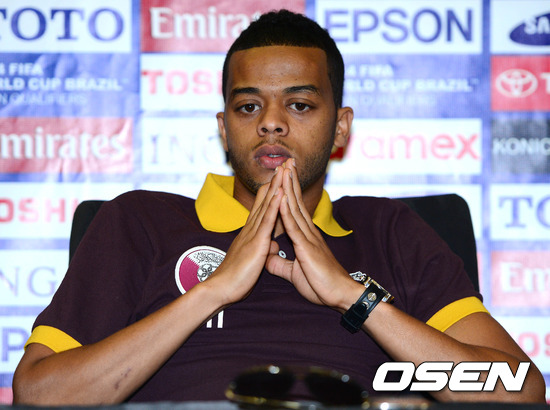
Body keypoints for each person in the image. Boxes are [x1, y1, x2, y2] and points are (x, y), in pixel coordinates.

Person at [12, 9, 546, 405]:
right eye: (248, 106)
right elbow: (40, 393)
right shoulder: (140, 221)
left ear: (341, 127)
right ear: (225, 129)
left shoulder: (391, 231)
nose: (271, 122)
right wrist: (215, 289)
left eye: (299, 104)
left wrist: (351, 296)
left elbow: (518, 391)